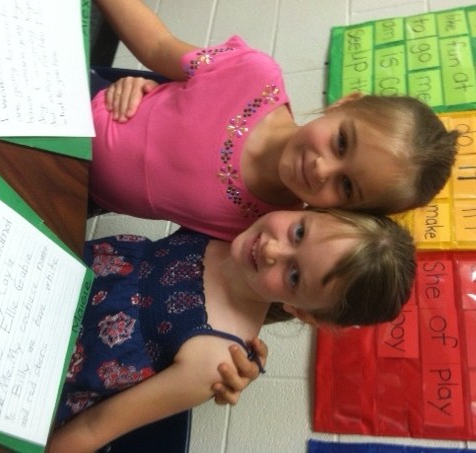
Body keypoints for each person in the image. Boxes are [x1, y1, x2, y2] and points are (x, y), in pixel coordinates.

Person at [49, 208, 416, 452]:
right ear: (308, 207)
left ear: (302, 311)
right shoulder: (227, 222)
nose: (272, 250)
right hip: (40, 270)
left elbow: (93, 430)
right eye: (299, 231)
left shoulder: (216, 357)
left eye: (293, 276)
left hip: (37, 373)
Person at [88, 0, 458, 241]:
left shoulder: (268, 229)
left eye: (346, 186)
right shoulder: (252, 74)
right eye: (342, 142)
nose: (321, 168)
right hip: (78, 104)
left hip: (78, 193)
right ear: (345, 103)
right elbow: (158, 46)